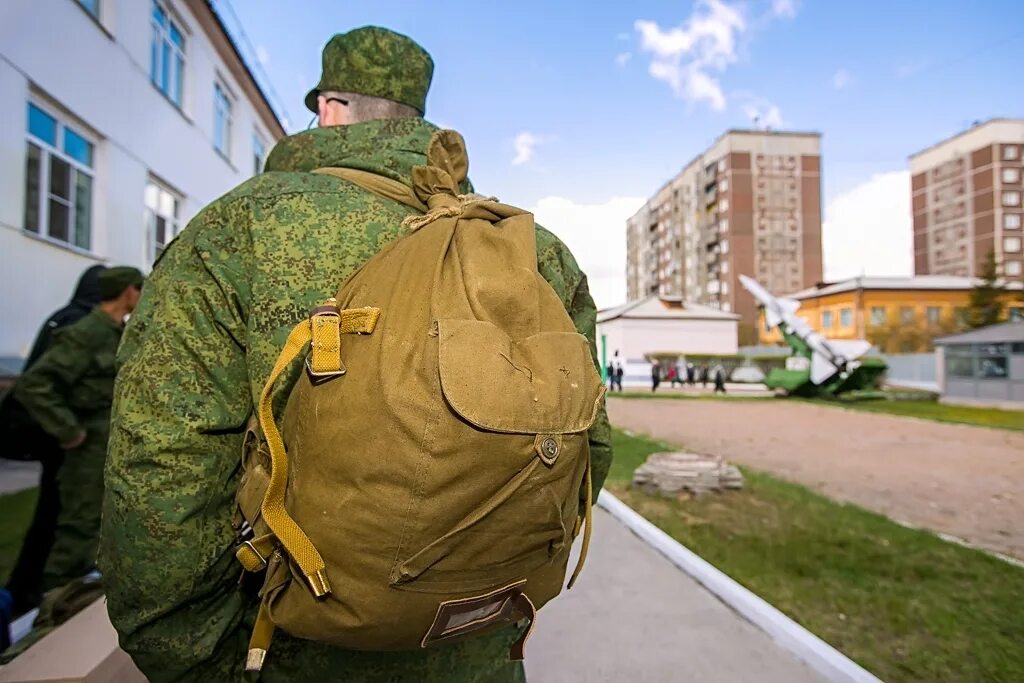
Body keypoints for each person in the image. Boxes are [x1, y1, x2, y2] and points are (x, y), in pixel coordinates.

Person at [99, 26, 613, 683]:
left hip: (290, 653)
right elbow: (589, 447)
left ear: (330, 109)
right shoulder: (535, 251)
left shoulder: (244, 226)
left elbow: (160, 469)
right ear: (415, 117)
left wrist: (197, 660)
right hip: (481, 650)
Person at [14, 267, 142, 590]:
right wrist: (69, 431)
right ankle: (55, 606)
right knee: (77, 531)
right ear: (128, 291)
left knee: (99, 529)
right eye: (139, 289)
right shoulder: (88, 331)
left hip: (106, 445)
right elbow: (34, 385)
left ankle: (78, 595)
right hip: (86, 450)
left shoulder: (115, 332)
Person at [1, 265, 106, 616]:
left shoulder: (64, 317)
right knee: (61, 524)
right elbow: (37, 385)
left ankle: (27, 594)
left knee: (54, 518)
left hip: (59, 442)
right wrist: (70, 430)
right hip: (64, 444)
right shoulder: (81, 326)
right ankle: (40, 600)